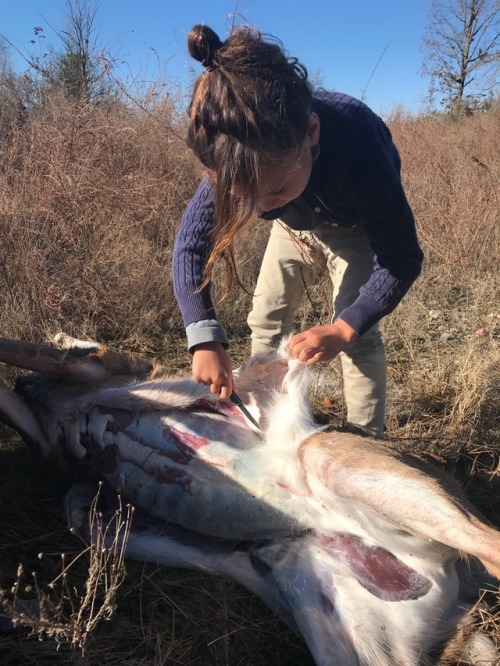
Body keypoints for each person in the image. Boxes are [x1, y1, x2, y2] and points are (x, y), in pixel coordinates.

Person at [173, 24, 423, 438]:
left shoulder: (360, 150)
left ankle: (365, 440)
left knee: (357, 338)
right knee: (265, 317)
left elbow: (401, 259)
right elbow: (189, 248)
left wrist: (343, 328)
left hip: (353, 227)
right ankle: (262, 412)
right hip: (295, 226)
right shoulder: (236, 152)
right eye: (247, 197)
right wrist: (202, 337)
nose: (260, 208)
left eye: (275, 190)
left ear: (311, 133)